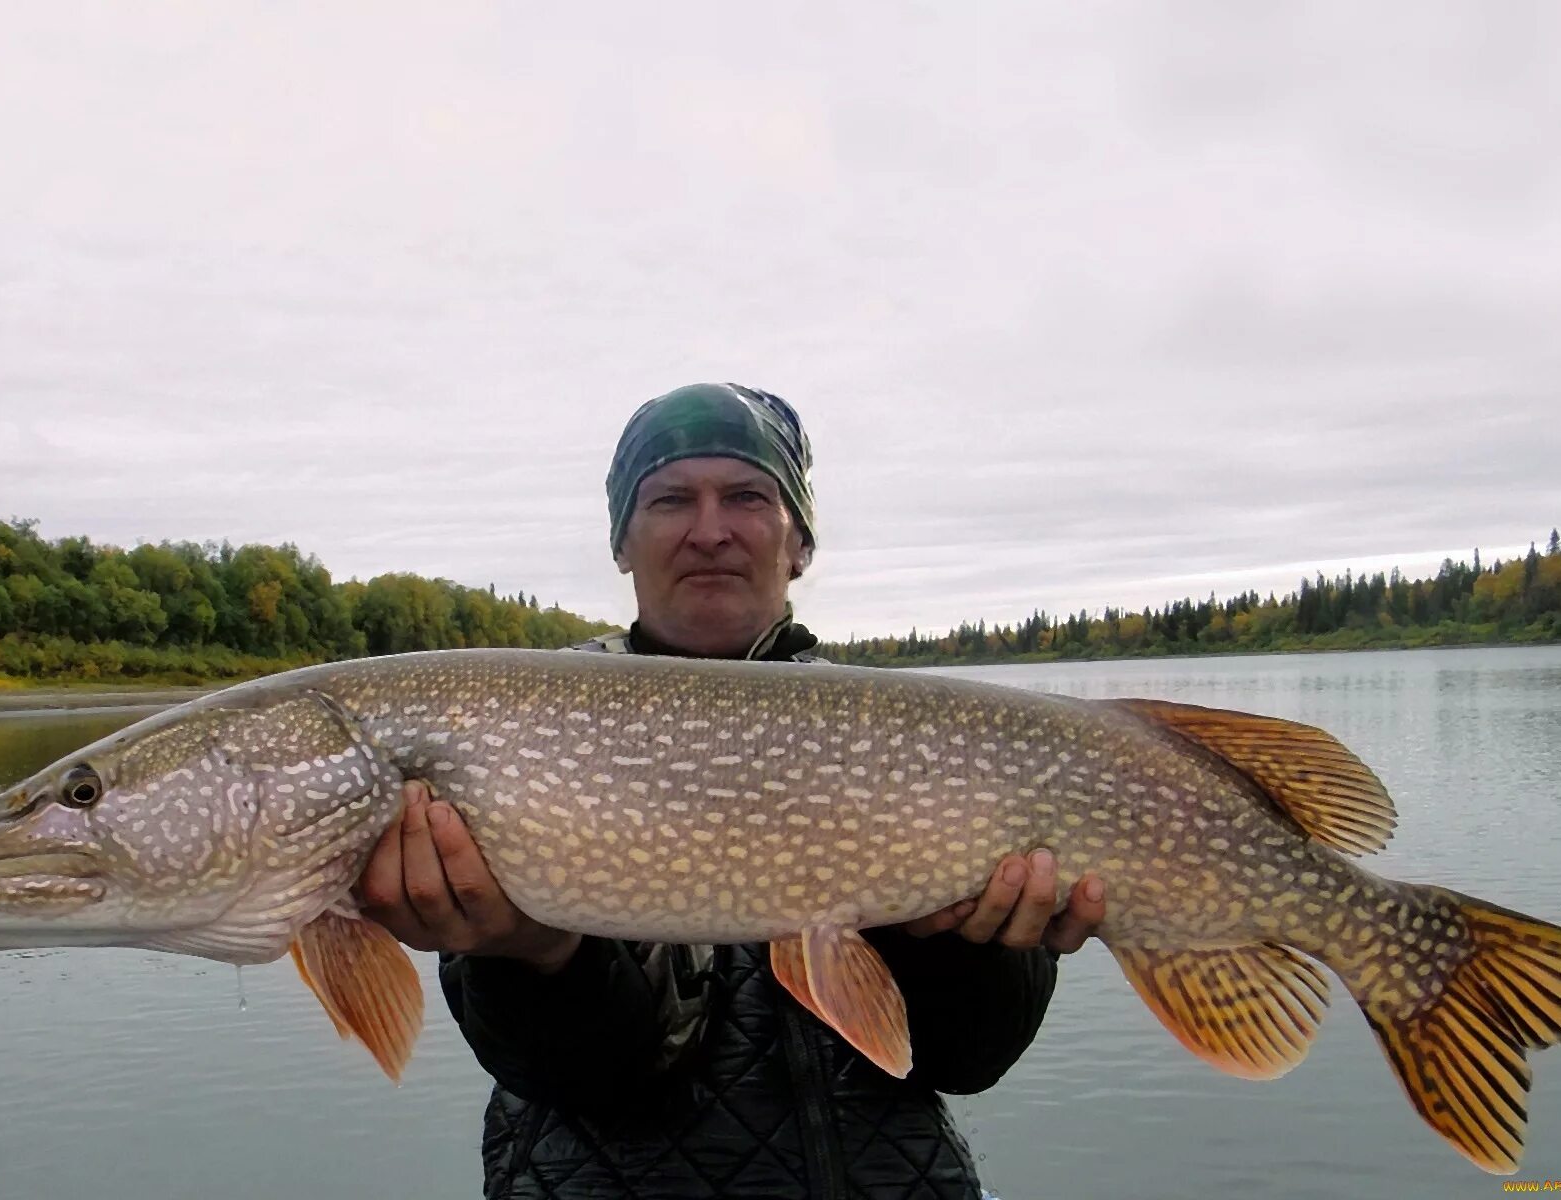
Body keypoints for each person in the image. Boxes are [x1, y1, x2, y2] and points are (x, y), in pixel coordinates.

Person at [356, 383, 1106, 1198]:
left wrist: (959, 943)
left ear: (800, 542)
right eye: (671, 498)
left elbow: (968, 1058)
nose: (708, 530)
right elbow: (584, 1078)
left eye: (747, 496)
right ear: (621, 542)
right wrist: (533, 955)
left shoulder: (905, 736)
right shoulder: (515, 730)